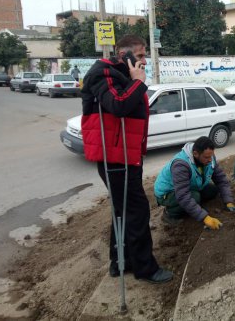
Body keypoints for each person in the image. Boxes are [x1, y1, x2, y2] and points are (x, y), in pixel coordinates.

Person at [81, 35, 172, 284]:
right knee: (137, 210)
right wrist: (138, 82)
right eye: (141, 56)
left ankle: (119, 261)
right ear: (125, 55)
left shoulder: (120, 75)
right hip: (115, 158)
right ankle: (145, 269)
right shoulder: (104, 73)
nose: (145, 61)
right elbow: (118, 104)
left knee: (121, 211)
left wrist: (134, 81)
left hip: (127, 155)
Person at [154, 136, 235, 229]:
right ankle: (169, 215)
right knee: (194, 197)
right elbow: (183, 196)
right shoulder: (181, 165)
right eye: (207, 157)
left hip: (190, 186)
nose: (210, 160)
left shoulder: (209, 158)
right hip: (167, 193)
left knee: (212, 190)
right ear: (196, 153)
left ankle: (192, 206)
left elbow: (221, 180)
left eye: (211, 156)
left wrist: (228, 201)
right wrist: (205, 218)